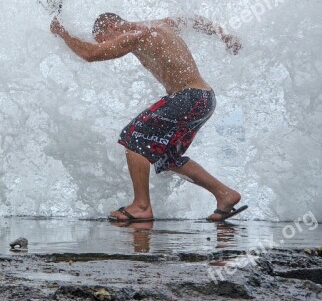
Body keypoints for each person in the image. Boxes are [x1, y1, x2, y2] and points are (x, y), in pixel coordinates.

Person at [50, 12, 247, 222]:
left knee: (134, 135)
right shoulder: (162, 24)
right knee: (166, 157)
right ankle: (224, 194)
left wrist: (62, 33)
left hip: (189, 98)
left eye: (105, 39)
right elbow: (193, 20)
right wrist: (225, 35)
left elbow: (90, 54)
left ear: (111, 27)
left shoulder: (136, 34)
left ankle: (141, 206)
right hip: (204, 99)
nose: (111, 44)